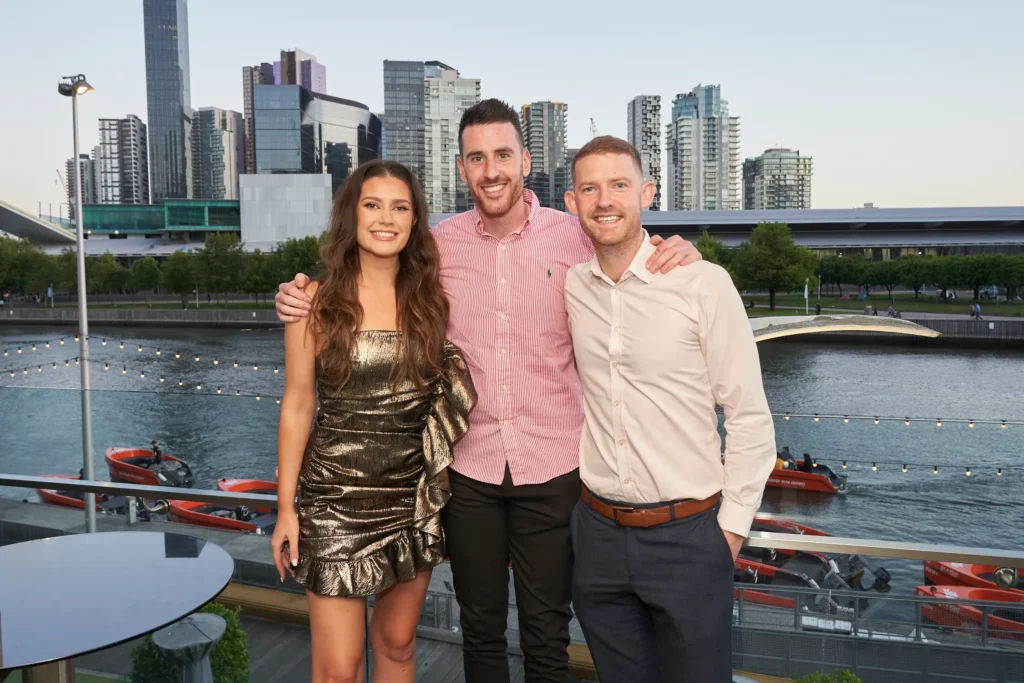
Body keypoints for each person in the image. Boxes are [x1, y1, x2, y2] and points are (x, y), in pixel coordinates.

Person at [275, 99, 701, 683]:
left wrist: (679, 252)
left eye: (503, 154)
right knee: (478, 630)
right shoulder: (438, 247)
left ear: (525, 161)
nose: (491, 169)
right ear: (461, 168)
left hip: (552, 466)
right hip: (467, 471)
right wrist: (298, 293)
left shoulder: (572, 236)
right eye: (477, 158)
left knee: (546, 636)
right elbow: (357, 295)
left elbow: (627, 251)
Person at [562, 136, 775, 682]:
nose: (604, 200)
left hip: (689, 537)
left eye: (619, 185)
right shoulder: (572, 286)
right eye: (590, 188)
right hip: (598, 538)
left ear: (647, 193)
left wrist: (729, 533)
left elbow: (749, 415)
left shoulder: (702, 283)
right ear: (572, 202)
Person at [271, 159, 477, 683]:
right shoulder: (312, 301)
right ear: (351, 214)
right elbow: (298, 404)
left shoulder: (432, 301)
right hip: (334, 501)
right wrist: (285, 508)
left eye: (400, 207)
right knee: (339, 669)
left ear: (414, 221)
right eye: (373, 205)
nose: (386, 218)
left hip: (409, 496)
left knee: (398, 643)